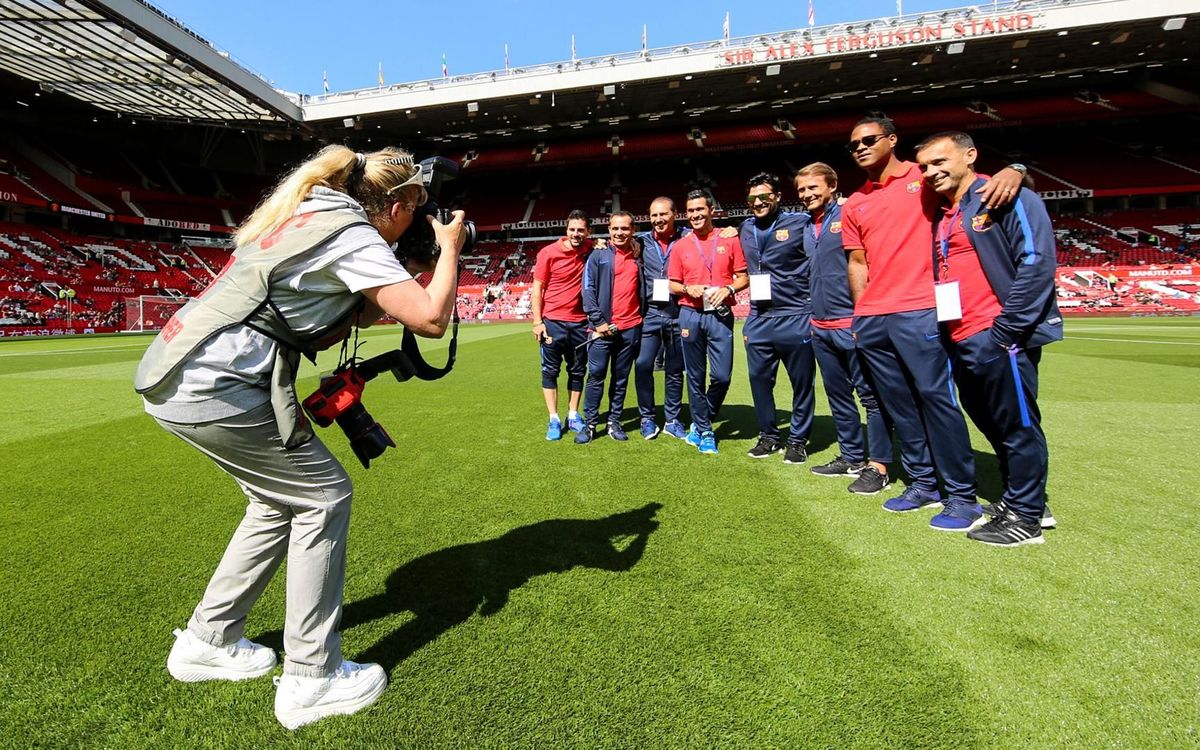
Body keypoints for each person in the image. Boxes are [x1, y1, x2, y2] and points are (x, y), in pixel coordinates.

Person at [134, 145, 467, 729]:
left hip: (177, 372)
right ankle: (311, 677)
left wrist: (407, 265)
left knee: (275, 500)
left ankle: (208, 641)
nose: (419, 217)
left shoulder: (310, 212)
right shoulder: (352, 234)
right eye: (416, 208)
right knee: (324, 495)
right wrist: (450, 253)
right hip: (217, 385)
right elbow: (430, 319)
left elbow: (342, 309)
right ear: (393, 204)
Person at [843, 112, 1023, 530]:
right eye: (853, 145)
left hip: (921, 308)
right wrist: (860, 311)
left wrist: (1016, 168)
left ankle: (961, 495)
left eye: (869, 139)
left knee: (936, 400)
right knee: (899, 406)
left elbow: (970, 182)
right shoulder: (856, 201)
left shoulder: (923, 178)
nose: (861, 148)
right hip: (872, 317)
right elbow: (857, 260)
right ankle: (923, 484)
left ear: (891, 139)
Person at [915, 131, 1062, 546]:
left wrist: (1007, 331)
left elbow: (1035, 262)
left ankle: (1027, 518)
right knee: (990, 420)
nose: (931, 172)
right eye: (925, 166)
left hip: (998, 335)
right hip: (960, 337)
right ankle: (1022, 498)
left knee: (1017, 424)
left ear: (970, 155)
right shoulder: (944, 213)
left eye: (940, 162)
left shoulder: (1005, 195)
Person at [796, 162, 893, 495]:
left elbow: (867, 263)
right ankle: (852, 456)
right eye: (802, 190)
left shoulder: (851, 212)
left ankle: (879, 465)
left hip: (852, 322)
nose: (807, 194)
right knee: (838, 396)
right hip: (820, 326)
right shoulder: (807, 226)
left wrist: (863, 315)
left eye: (813, 187)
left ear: (832, 186)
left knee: (871, 397)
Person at [737, 173, 815, 465]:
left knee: (801, 383)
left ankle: (797, 440)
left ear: (778, 197)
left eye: (764, 197)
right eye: (752, 199)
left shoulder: (800, 223)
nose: (758, 203)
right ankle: (769, 435)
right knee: (759, 380)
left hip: (794, 315)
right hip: (758, 317)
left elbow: (816, 260)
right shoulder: (744, 228)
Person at [668, 189, 748, 455]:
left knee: (722, 376)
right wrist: (686, 289)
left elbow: (743, 277)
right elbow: (672, 283)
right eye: (690, 211)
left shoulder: (730, 239)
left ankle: (700, 420)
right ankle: (704, 430)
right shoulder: (681, 245)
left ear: (711, 210)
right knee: (695, 376)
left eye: (700, 209)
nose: (695, 215)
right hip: (690, 314)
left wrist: (730, 290)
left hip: (720, 314)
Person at [576, 211, 644, 443]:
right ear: (609, 229)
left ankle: (614, 422)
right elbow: (588, 290)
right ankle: (591, 424)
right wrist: (598, 321)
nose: (619, 233)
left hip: (631, 327)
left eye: (625, 228)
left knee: (621, 378)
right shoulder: (598, 255)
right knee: (595, 376)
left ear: (632, 230)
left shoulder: (638, 253)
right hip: (600, 329)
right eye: (615, 228)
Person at [531, 210, 592, 440]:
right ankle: (554, 419)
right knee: (550, 371)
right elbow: (537, 288)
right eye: (572, 229)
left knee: (577, 371)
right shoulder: (548, 253)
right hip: (553, 322)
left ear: (588, 231)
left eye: (580, 230)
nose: (576, 234)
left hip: (580, 324)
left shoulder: (590, 248)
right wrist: (537, 322)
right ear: (566, 230)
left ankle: (573, 414)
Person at [632, 197, 689, 441]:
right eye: (654, 215)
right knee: (643, 364)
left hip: (678, 313)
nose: (658, 220)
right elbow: (617, 245)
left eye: (663, 214)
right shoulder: (642, 242)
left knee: (675, 370)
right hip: (651, 314)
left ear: (675, 214)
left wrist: (729, 230)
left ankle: (673, 419)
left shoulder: (688, 238)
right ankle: (647, 418)